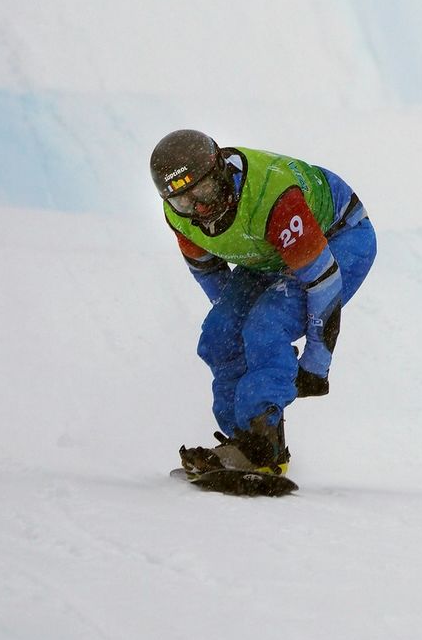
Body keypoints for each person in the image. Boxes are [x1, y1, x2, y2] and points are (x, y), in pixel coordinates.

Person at [151, 129, 376, 476]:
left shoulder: (274, 198)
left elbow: (324, 282)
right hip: (270, 253)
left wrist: (317, 363)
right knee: (219, 336)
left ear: (222, 171)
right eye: (184, 201)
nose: (200, 208)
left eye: (206, 191)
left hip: (340, 236)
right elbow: (213, 280)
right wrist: (232, 326)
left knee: (265, 326)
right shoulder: (180, 218)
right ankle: (244, 441)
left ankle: (264, 447)